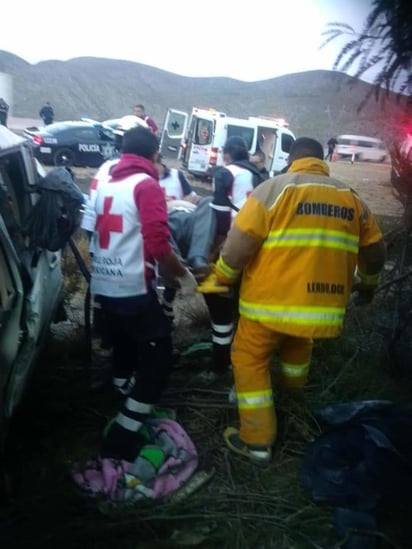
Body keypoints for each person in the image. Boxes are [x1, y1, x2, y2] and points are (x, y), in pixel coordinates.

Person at [213, 137, 386, 465]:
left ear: (292, 160)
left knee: (249, 359)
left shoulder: (274, 189)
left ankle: (257, 442)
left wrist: (222, 277)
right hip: (320, 310)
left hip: (267, 306)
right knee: (296, 350)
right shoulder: (351, 198)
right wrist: (369, 285)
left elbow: (239, 244)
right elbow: (376, 252)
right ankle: (291, 402)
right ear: (323, 161)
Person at [88, 125, 197, 462]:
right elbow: (157, 245)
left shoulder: (105, 184)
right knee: (158, 358)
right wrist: (182, 277)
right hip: (133, 288)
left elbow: (89, 232)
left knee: (123, 343)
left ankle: (121, 389)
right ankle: (124, 432)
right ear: (153, 156)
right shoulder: (146, 185)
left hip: (104, 285)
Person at [201, 136, 265, 373]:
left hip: (231, 246)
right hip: (255, 248)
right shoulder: (259, 175)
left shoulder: (225, 173)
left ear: (227, 154)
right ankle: (241, 355)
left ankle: (220, 362)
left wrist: (213, 251)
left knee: (216, 300)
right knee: (241, 303)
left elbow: (219, 214)